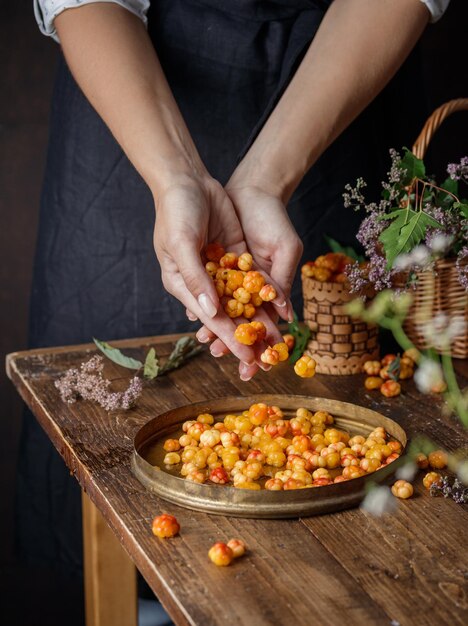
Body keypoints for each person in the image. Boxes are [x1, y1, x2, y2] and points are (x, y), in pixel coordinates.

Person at [21, 0, 448, 610]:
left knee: (358, 561)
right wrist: (177, 180)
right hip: (132, 98)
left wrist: (263, 180)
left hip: (344, 78)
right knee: (129, 500)